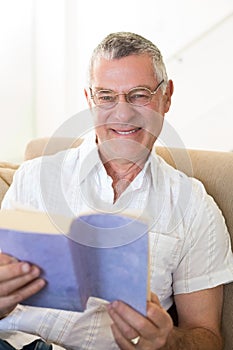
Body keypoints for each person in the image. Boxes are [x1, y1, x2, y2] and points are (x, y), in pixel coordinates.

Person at [0, 31, 233, 350]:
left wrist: (168, 341)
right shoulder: (34, 176)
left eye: (139, 95)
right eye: (106, 97)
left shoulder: (194, 208)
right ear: (89, 100)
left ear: (166, 97)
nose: (122, 114)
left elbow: (207, 336)